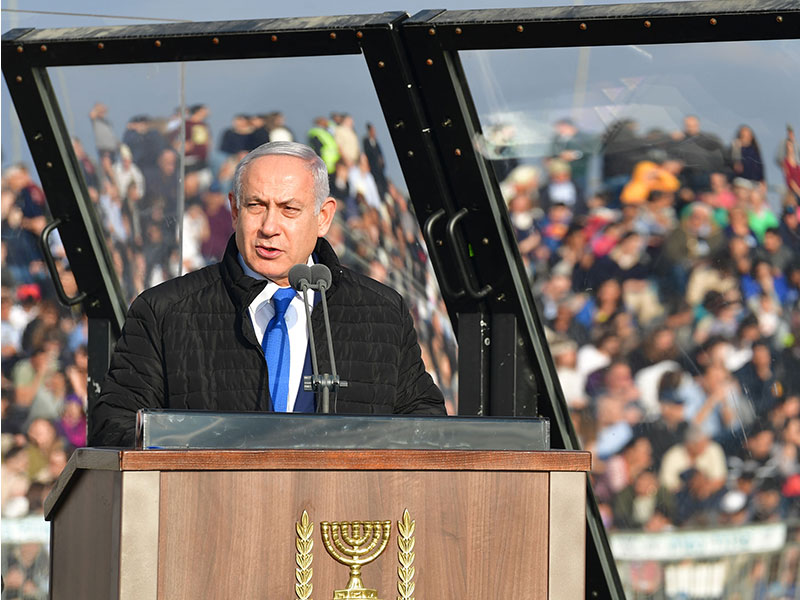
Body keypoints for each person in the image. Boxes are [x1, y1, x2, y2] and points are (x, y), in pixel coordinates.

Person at [89, 141, 445, 446]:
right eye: (256, 206)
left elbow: (425, 429)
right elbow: (114, 425)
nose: (269, 227)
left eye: (289, 209)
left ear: (324, 217)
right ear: (234, 210)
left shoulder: (380, 313)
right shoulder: (164, 312)